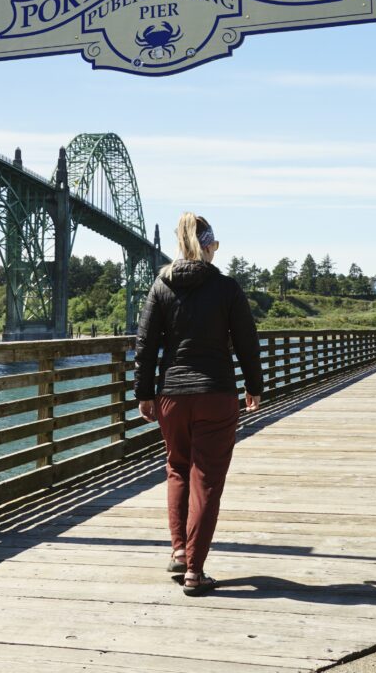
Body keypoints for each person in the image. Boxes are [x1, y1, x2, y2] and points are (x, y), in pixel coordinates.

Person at [134, 212, 263, 596]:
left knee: (177, 468)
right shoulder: (226, 288)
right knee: (205, 480)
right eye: (215, 246)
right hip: (216, 395)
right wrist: (254, 385)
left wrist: (144, 392)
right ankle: (194, 571)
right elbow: (246, 342)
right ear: (208, 246)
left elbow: (145, 345)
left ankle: (178, 550)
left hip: (172, 396)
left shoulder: (162, 285)